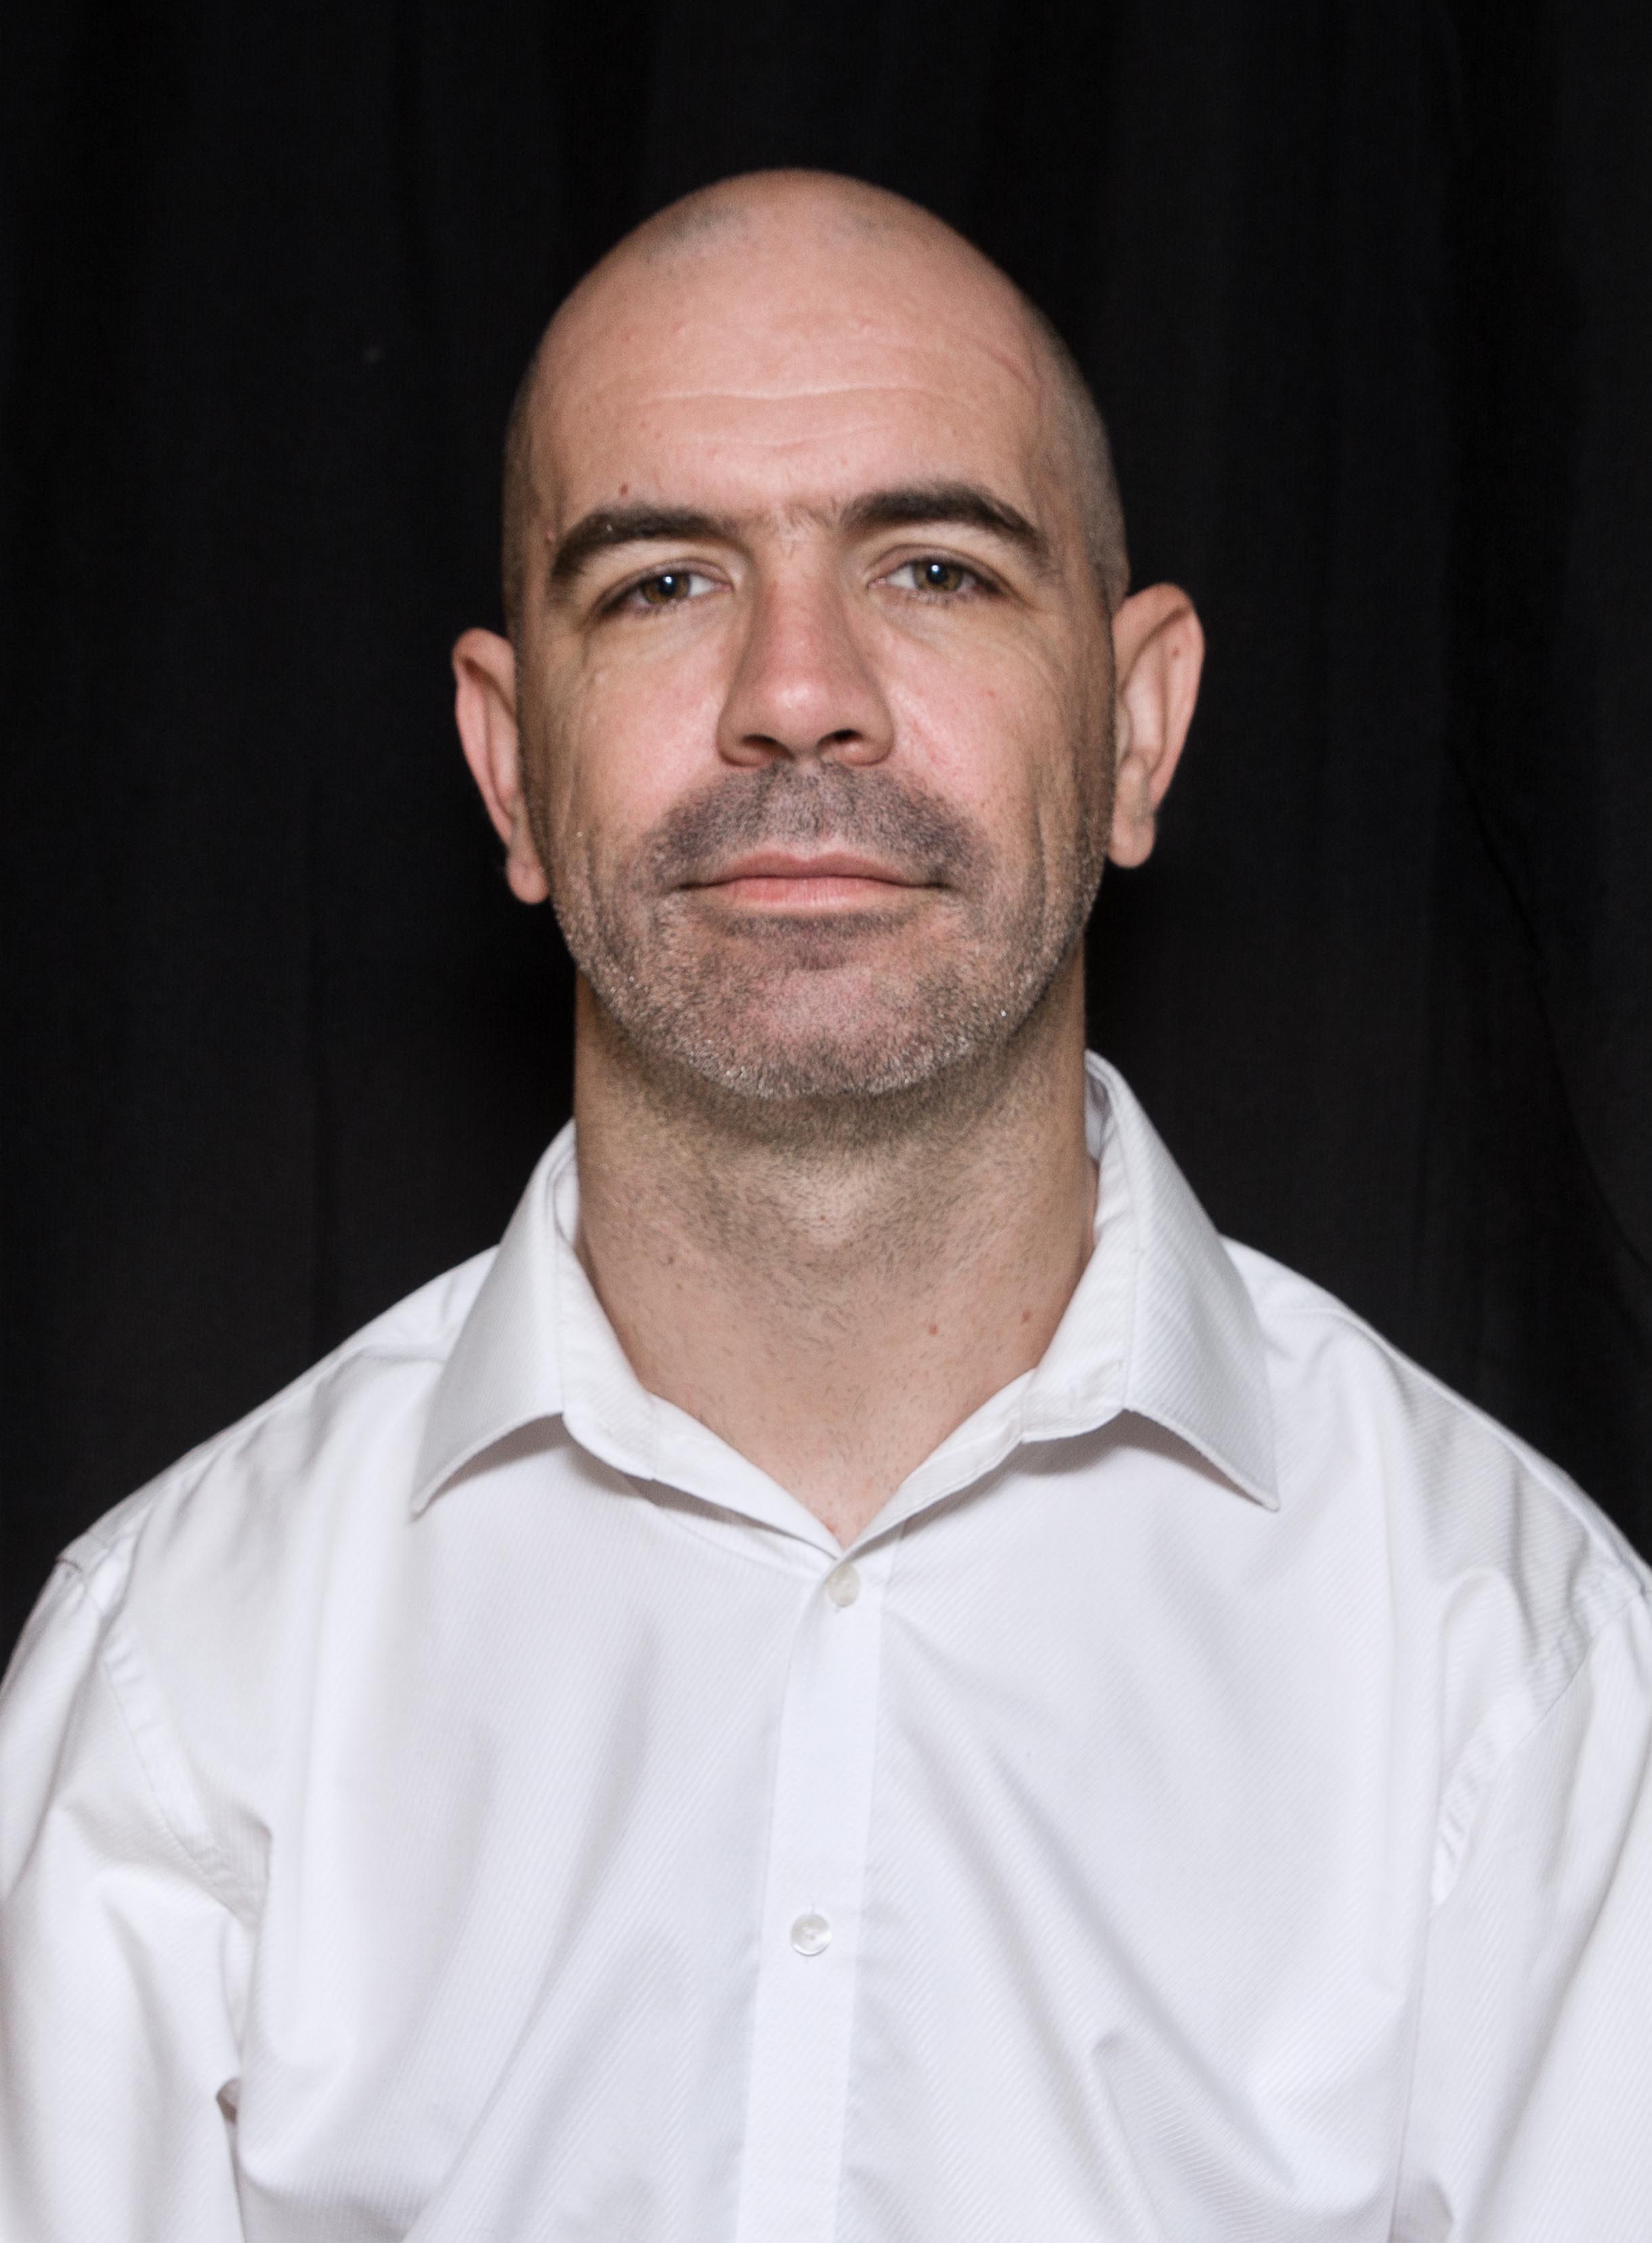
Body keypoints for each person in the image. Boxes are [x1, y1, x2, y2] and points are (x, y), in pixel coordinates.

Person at [1, 169, 1648, 2242]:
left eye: (935, 568)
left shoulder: (1517, 1675)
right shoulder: (176, 1683)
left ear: (1138, 726)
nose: (798, 689)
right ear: (509, 767)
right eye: (663, 582)